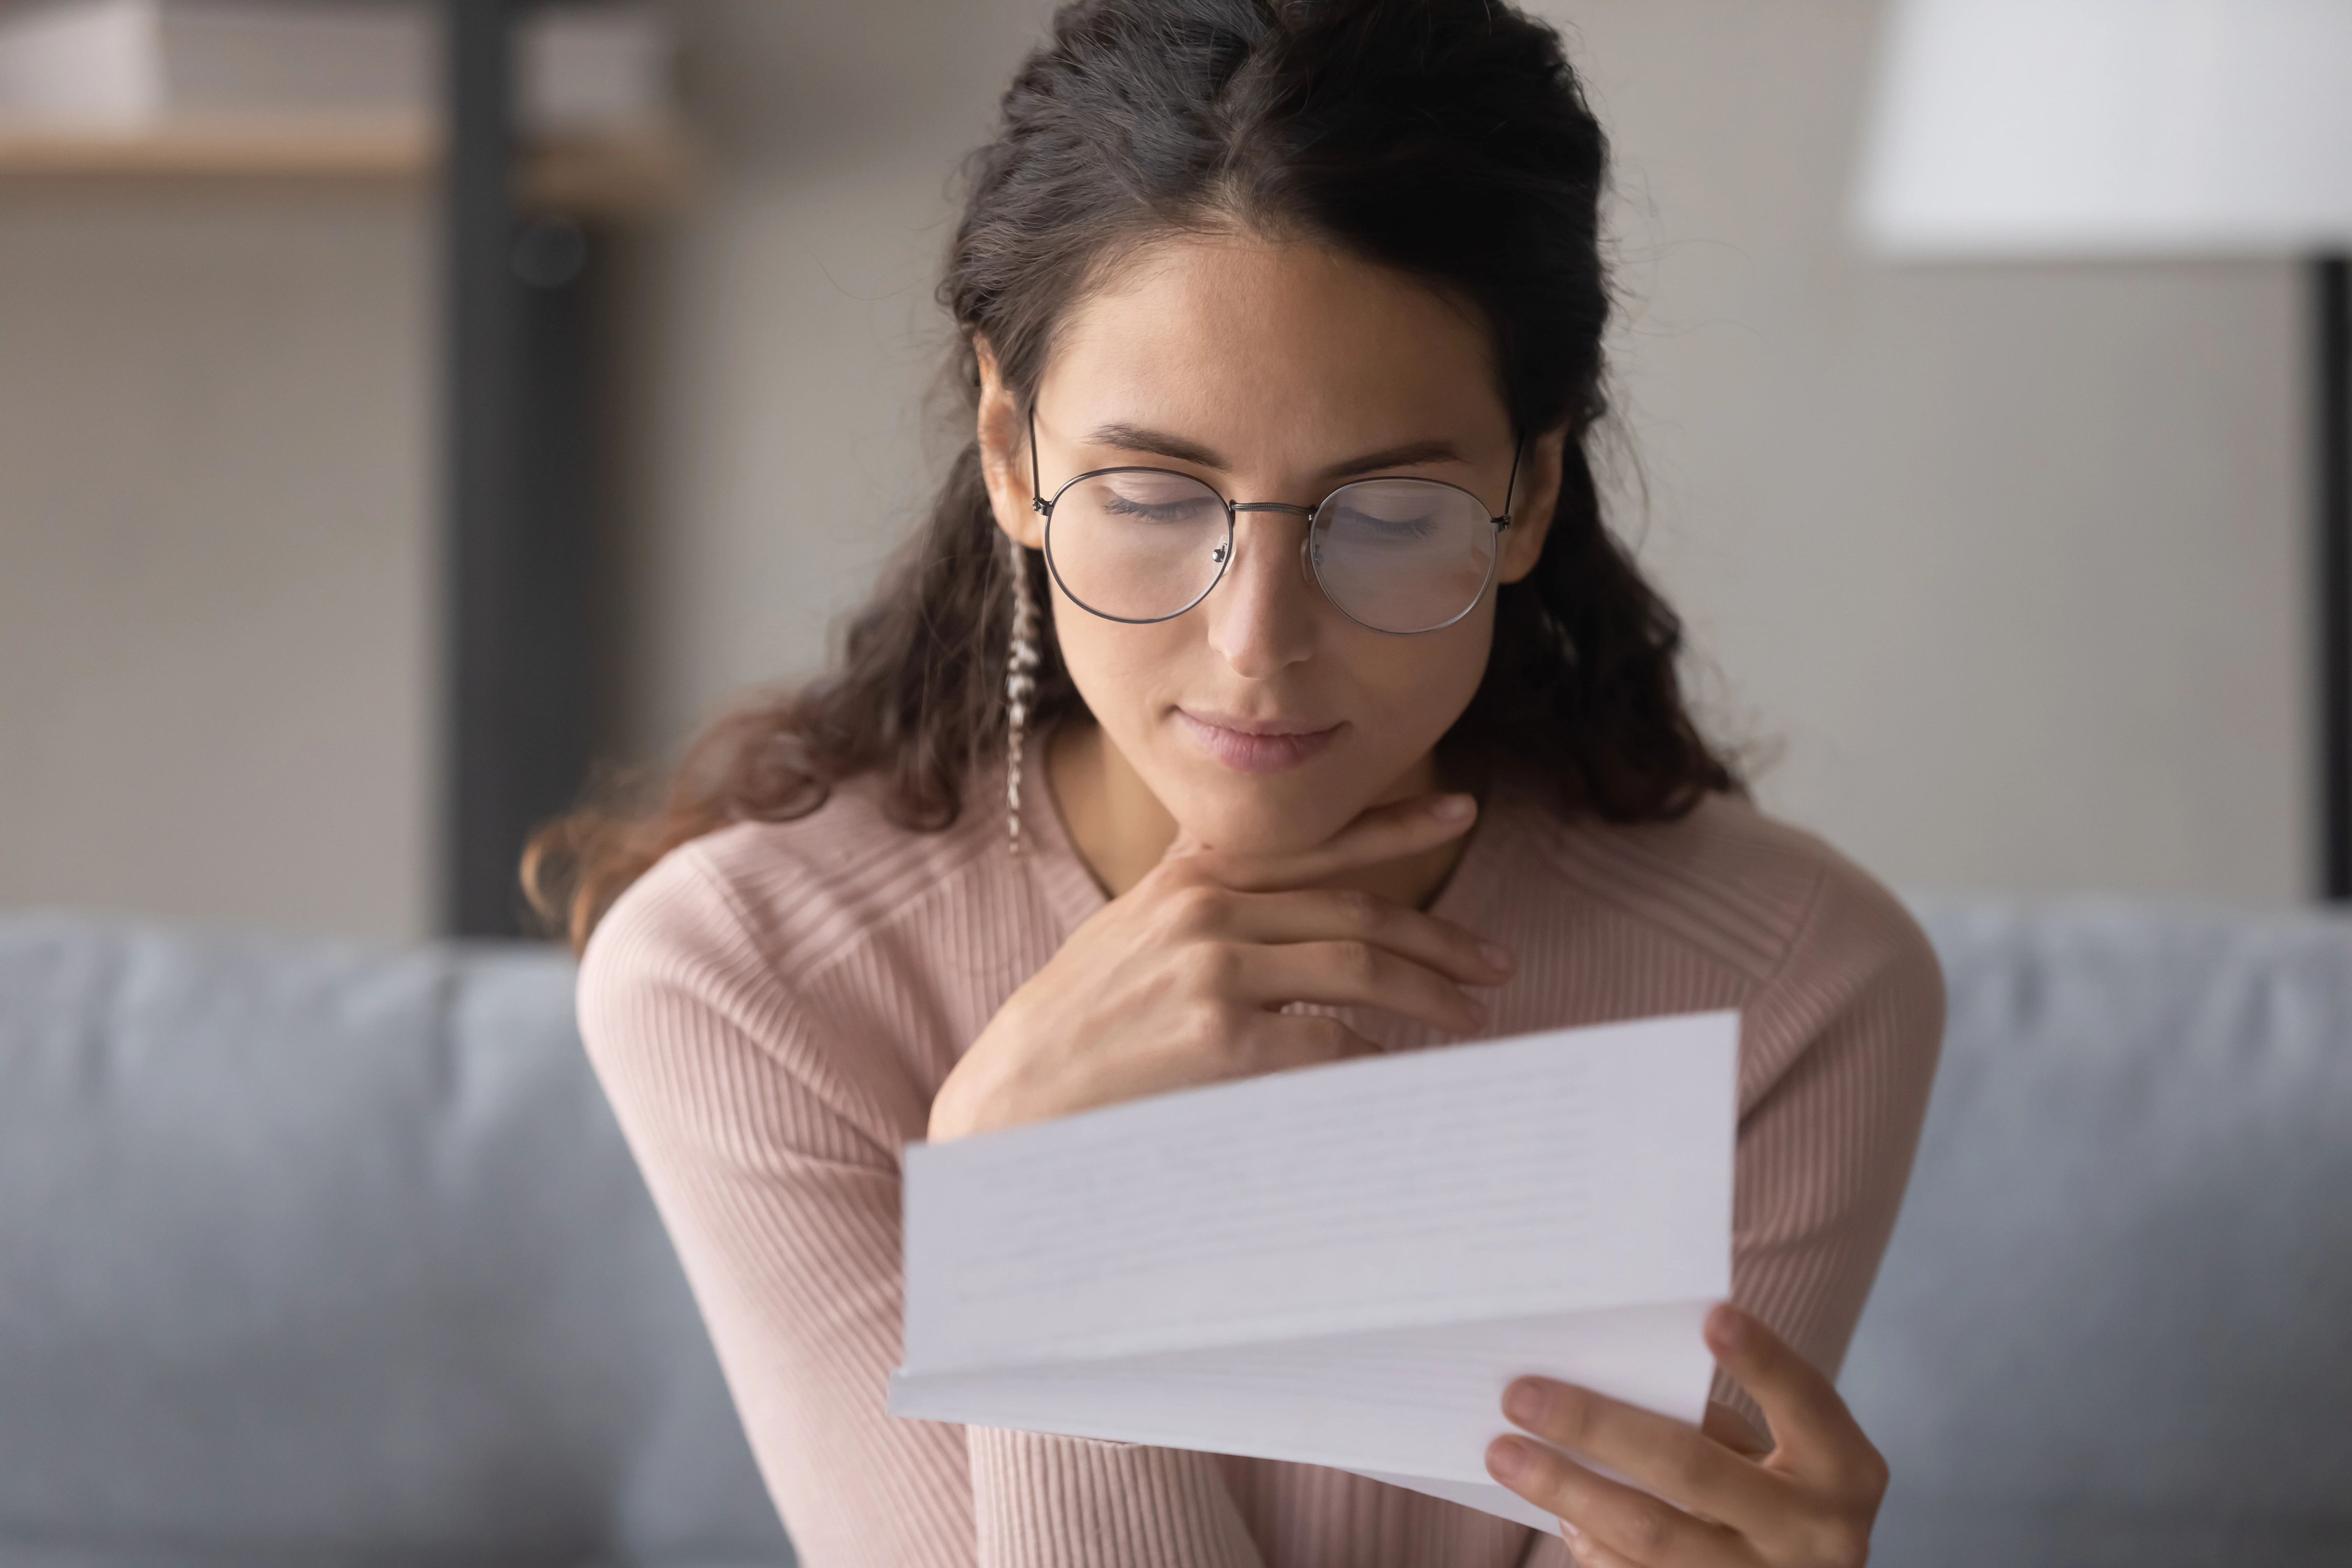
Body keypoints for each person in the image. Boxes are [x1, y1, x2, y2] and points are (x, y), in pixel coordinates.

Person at [527, 2, 1944, 1564]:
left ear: (1529, 488)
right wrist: (1031, 1212)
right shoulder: (746, 986)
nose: (1258, 643)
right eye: (1150, 493)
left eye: (1391, 512)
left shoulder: (1791, 994)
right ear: (1012, 452)